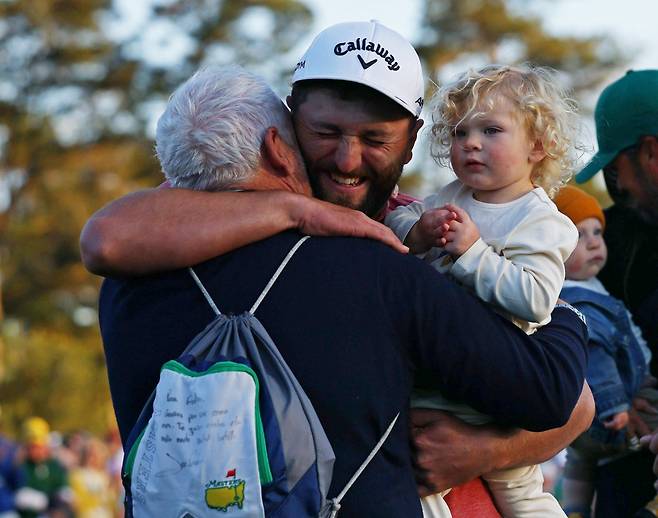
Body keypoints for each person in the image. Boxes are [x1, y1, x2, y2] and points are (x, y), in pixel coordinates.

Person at [81, 21, 594, 517]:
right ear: (285, 131)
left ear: (413, 139)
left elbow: (576, 402)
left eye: (375, 139)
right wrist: (297, 209)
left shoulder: (420, 227)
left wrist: (487, 451)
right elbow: (107, 235)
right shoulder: (368, 260)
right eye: (325, 132)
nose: (348, 160)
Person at [385, 64, 579, 517]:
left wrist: (472, 253)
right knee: (413, 478)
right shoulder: (450, 196)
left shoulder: (541, 221)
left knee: (524, 498)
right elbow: (393, 230)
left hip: (492, 399)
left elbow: (536, 300)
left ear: (538, 145)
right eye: (459, 132)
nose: (470, 142)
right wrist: (417, 230)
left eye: (491, 130)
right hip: (431, 383)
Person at [575, 69, 658, 518]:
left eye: (612, 171)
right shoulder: (603, 240)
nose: (616, 188)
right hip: (623, 477)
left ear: (650, 152)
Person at [553, 186, 658, 518]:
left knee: (578, 460)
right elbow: (595, 353)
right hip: (620, 401)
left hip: (588, 414)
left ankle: (575, 509)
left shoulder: (582, 286)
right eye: (579, 235)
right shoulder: (582, 297)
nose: (595, 242)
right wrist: (616, 404)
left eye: (597, 232)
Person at [15, 418, 72, 518]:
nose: (38, 451)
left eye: (40, 446)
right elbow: (20, 496)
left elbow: (63, 489)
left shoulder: (53, 465)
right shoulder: (21, 467)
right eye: (34, 447)